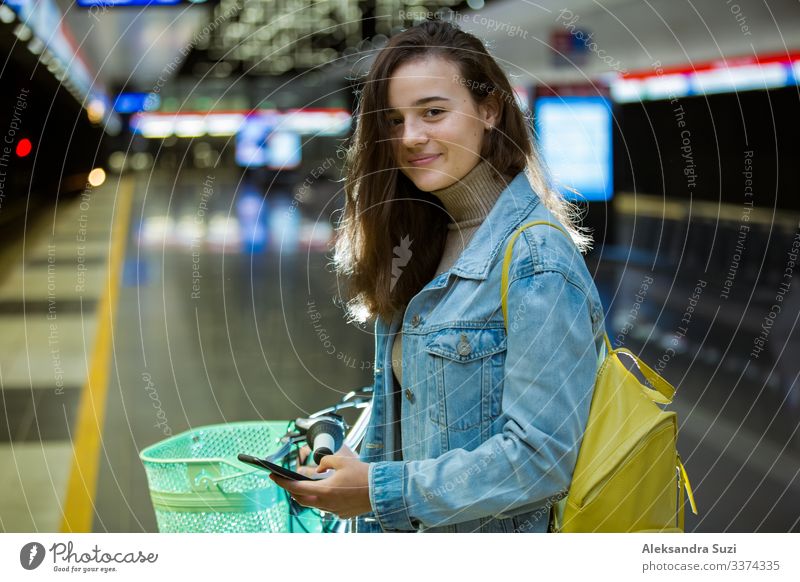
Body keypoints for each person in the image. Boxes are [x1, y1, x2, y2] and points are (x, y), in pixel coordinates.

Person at [268, 18, 607, 533]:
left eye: (432, 112)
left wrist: (376, 490)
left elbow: (539, 458)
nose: (410, 137)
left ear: (489, 110)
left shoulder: (535, 260)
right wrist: (348, 467)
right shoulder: (425, 241)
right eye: (395, 120)